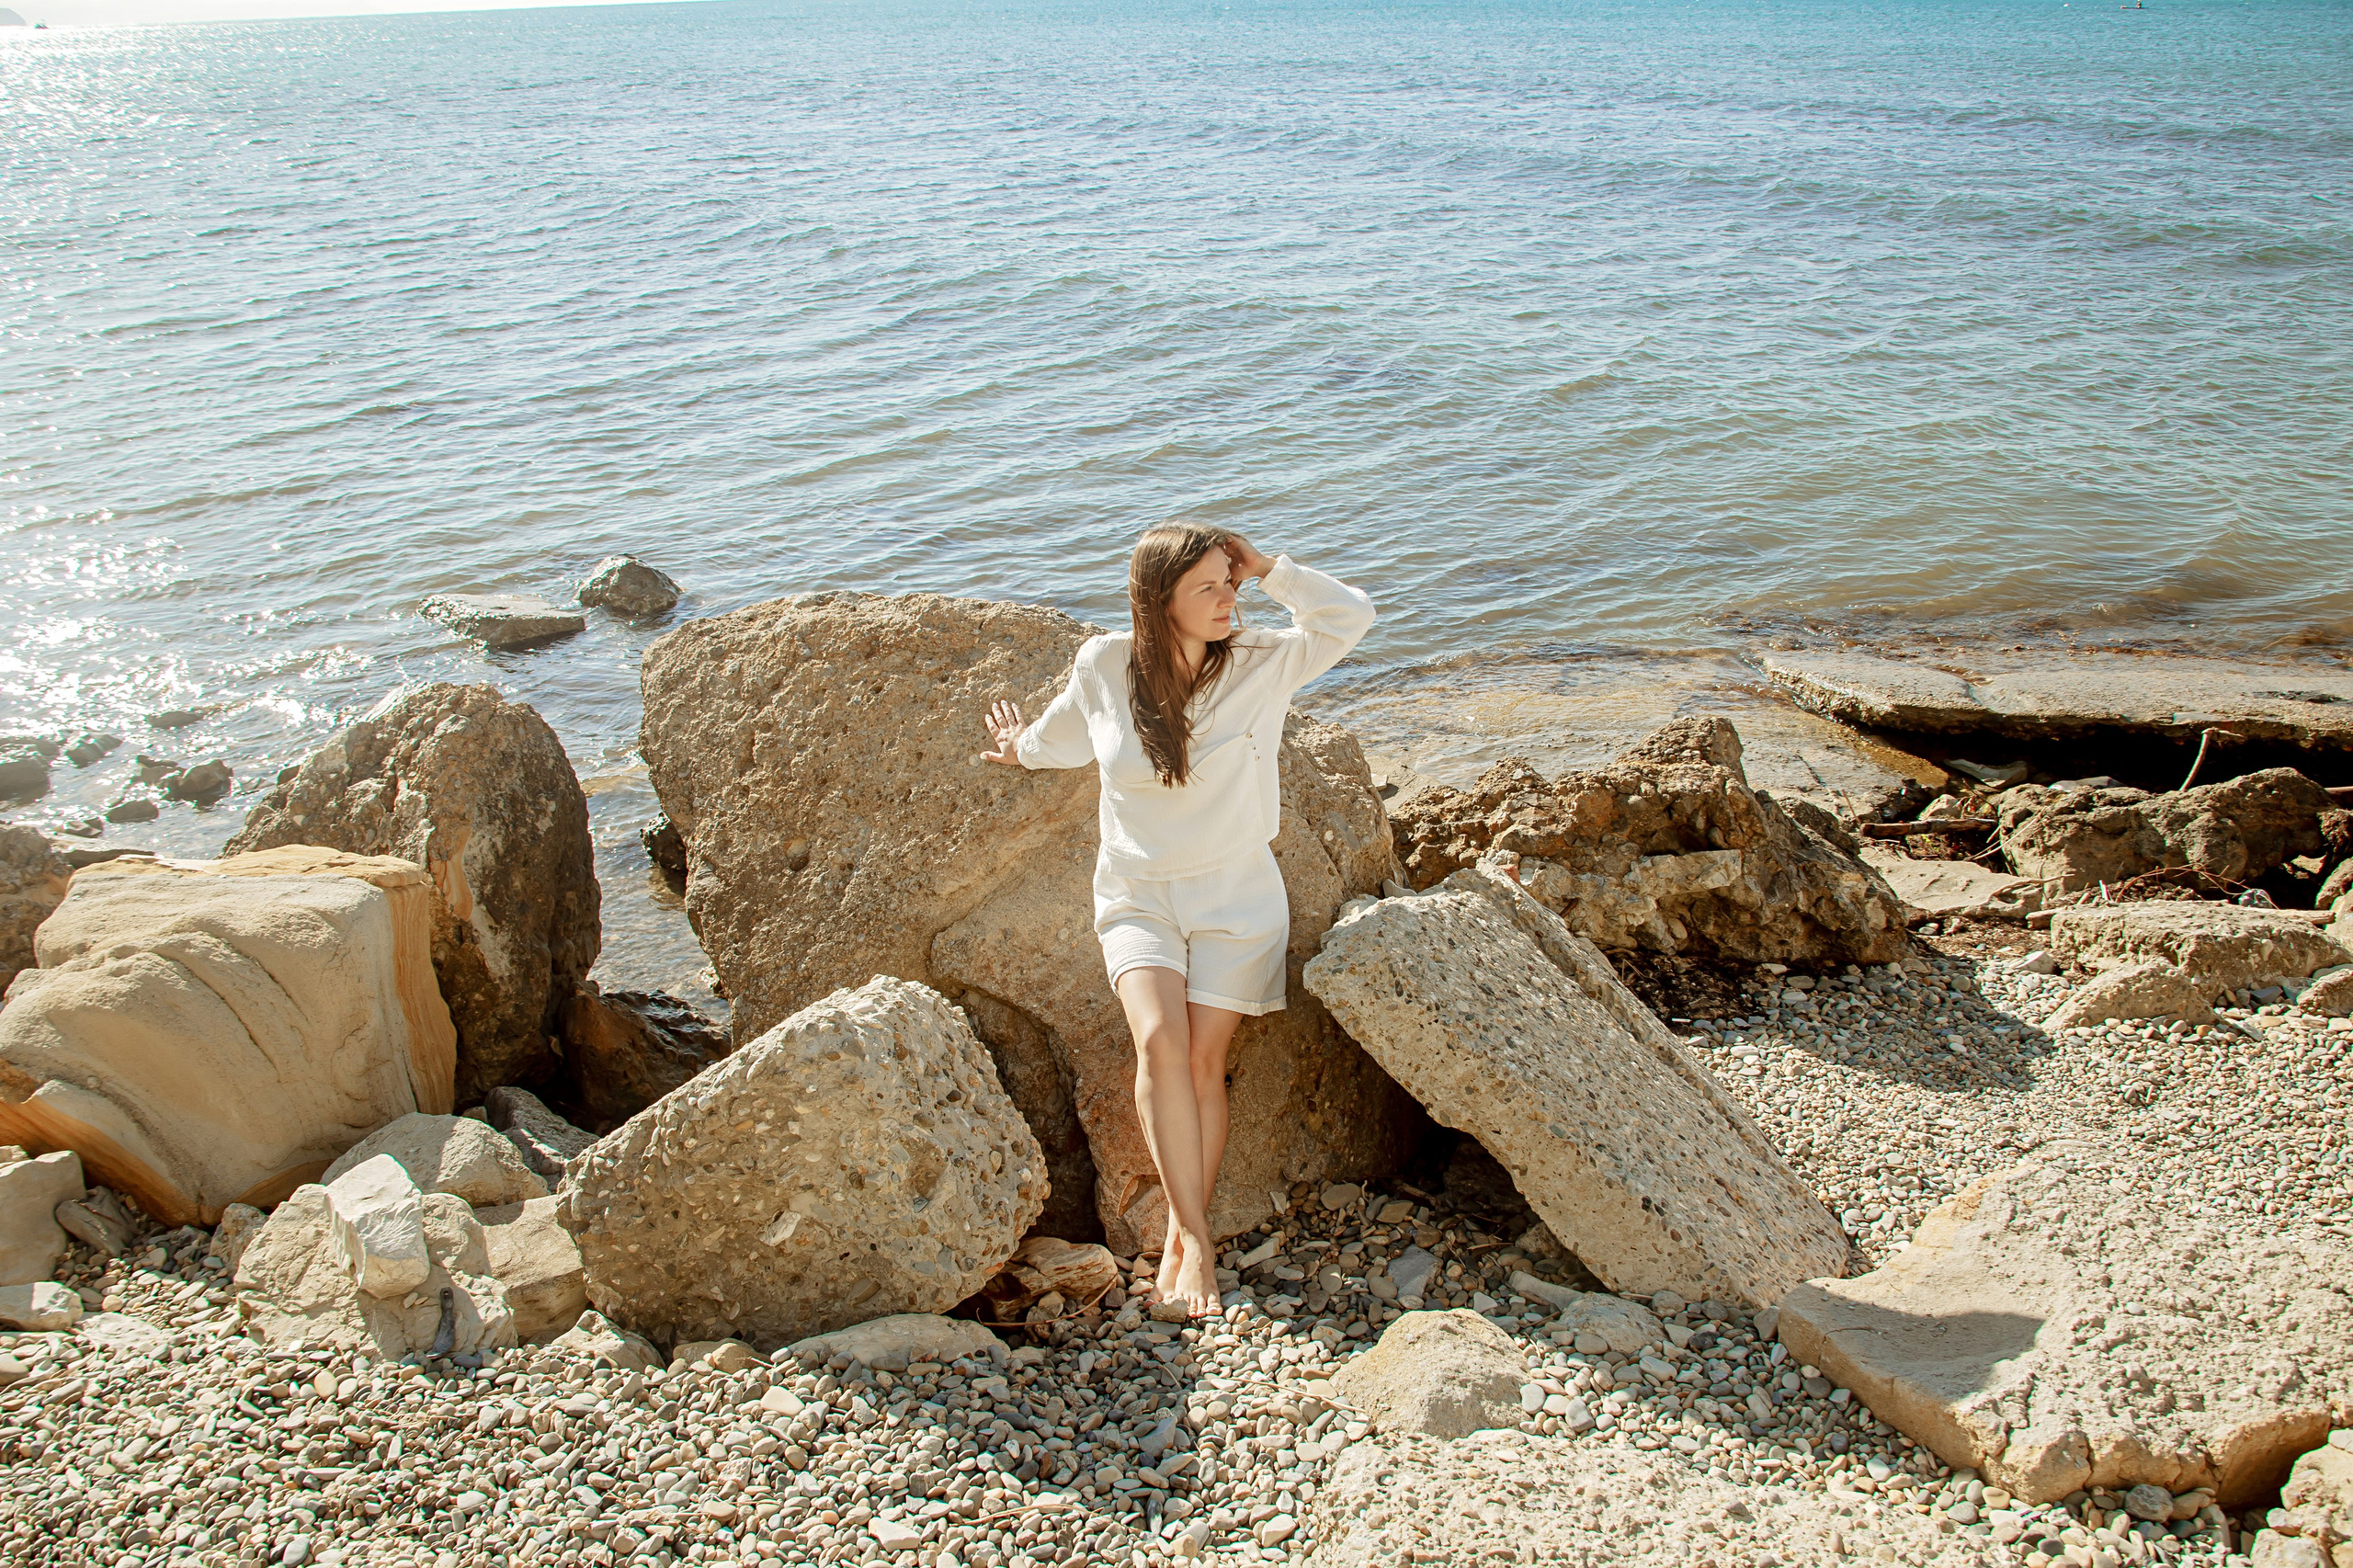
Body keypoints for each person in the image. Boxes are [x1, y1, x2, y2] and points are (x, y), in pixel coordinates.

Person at [981, 525, 1374, 1315]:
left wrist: (1268, 567)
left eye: (1232, 582)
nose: (1230, 599)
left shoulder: (1261, 661)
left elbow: (1349, 617)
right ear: (1158, 601)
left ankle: (1184, 1237)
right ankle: (1193, 1236)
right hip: (1138, 895)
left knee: (1201, 1061)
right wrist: (1020, 748)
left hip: (1238, 899)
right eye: (1210, 587)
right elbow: (1067, 736)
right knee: (1158, 1040)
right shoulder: (1103, 665)